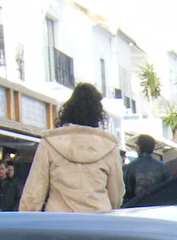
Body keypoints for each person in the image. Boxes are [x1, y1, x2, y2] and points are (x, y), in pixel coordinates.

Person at [19, 83, 123, 212]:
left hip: (60, 223)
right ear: (98, 113)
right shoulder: (109, 146)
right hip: (98, 222)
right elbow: (116, 195)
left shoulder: (50, 142)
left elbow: (34, 192)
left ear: (69, 109)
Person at [123, 134, 170, 201]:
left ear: (138, 148)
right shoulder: (163, 167)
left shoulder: (127, 168)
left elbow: (123, 193)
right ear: (153, 149)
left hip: (134, 207)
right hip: (157, 207)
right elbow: (168, 190)